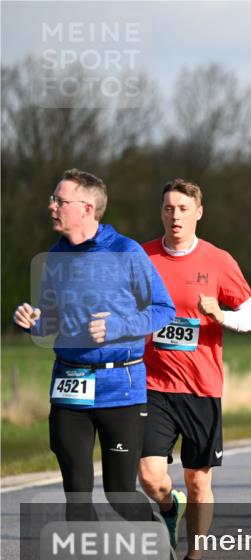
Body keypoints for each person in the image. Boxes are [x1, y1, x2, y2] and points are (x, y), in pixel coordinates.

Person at [13, 169, 175, 527]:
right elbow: (50, 322)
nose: (51, 206)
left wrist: (119, 327)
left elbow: (164, 310)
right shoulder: (55, 257)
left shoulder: (126, 252)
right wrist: (30, 320)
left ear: (86, 209)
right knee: (76, 494)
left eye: (60, 200)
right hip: (70, 384)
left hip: (121, 389)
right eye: (53, 199)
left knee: (119, 494)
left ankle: (157, 535)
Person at [138, 179, 251, 560]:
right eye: (169, 208)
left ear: (198, 213)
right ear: (162, 212)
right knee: (150, 476)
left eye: (183, 209)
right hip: (152, 384)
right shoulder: (143, 257)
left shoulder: (219, 260)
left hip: (201, 388)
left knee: (199, 481)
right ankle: (168, 508)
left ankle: (194, 559)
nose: (176, 216)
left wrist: (221, 315)